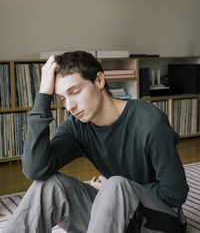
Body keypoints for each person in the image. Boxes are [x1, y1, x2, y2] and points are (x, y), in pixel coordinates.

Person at [3, 51, 189, 233]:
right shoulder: (77, 127)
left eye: (75, 92)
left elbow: (175, 193)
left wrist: (113, 189)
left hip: (160, 220)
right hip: (114, 216)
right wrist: (43, 96)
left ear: (99, 81)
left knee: (116, 185)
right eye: (61, 99)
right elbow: (35, 169)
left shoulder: (148, 120)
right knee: (49, 184)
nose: (69, 106)